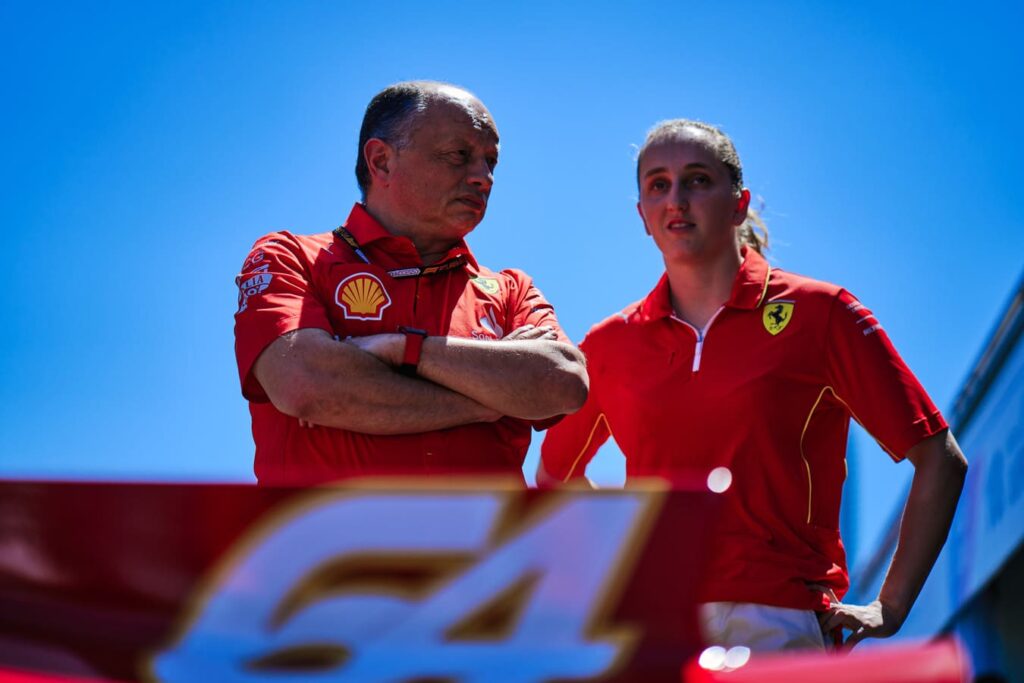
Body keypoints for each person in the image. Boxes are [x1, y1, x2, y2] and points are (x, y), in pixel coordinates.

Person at [537, 119, 967, 651]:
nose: (676, 199)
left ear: (738, 203)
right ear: (642, 216)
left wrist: (892, 604)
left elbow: (941, 460)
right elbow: (556, 477)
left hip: (782, 621)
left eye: (697, 180)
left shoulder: (822, 313)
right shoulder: (609, 343)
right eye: (658, 185)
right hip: (654, 628)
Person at [233, 81, 588, 486]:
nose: (484, 177)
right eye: (459, 155)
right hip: (329, 547)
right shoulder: (290, 257)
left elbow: (564, 382)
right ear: (381, 160)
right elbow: (308, 386)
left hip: (483, 549)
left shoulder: (510, 289)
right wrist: (493, 397)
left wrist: (403, 351)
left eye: (491, 161)